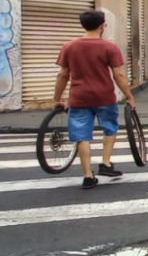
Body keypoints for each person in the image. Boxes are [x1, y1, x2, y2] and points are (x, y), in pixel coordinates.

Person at [53, 10, 137, 189]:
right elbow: (118, 75)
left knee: (81, 136)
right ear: (102, 26)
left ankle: (87, 175)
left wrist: (57, 99)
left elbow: (63, 75)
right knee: (110, 128)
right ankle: (106, 163)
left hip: (79, 98)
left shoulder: (69, 46)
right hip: (104, 96)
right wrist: (129, 96)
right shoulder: (109, 47)